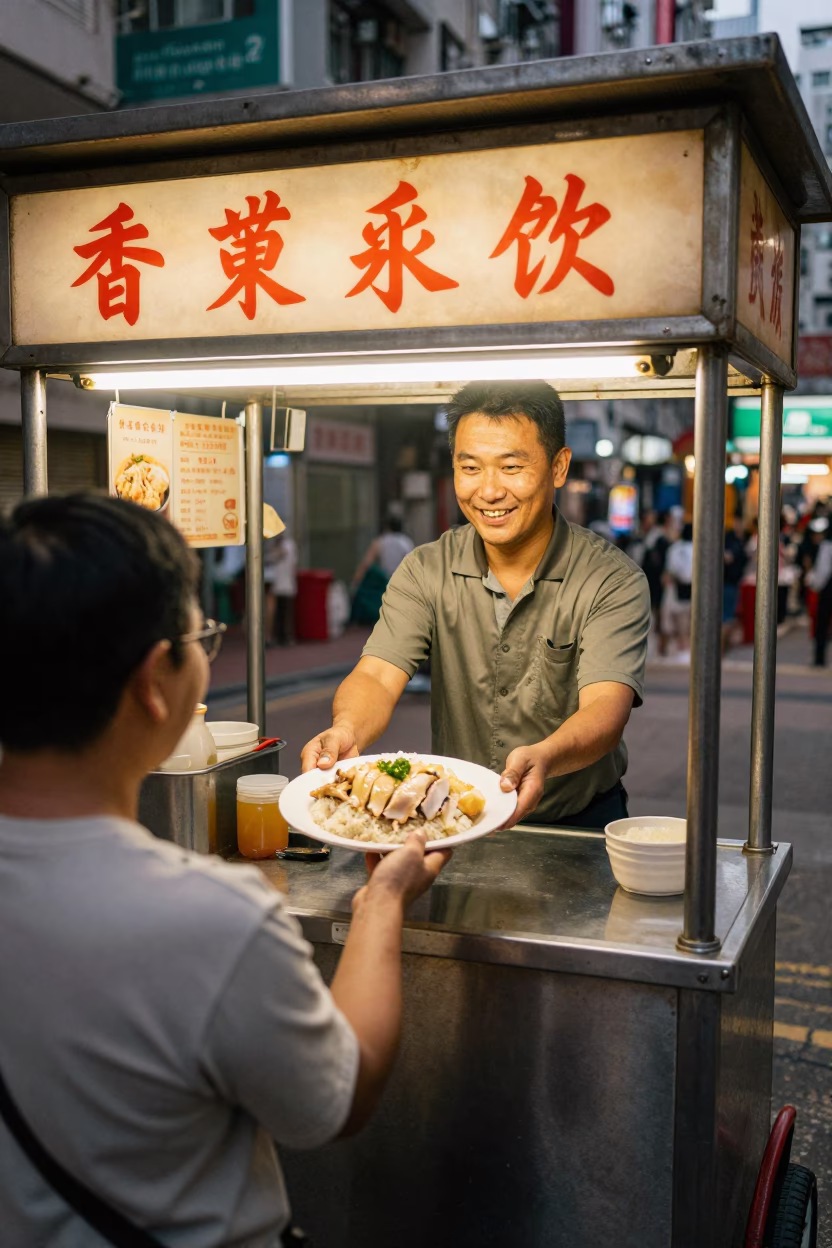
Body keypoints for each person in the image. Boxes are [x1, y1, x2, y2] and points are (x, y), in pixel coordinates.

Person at [0, 494, 449, 1246]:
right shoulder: (212, 920)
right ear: (154, 678)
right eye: (200, 636)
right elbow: (344, 1097)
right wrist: (382, 898)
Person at [303, 381, 651, 831]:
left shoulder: (610, 579)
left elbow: (606, 707)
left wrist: (546, 756)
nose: (488, 491)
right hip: (455, 820)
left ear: (559, 466)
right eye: (470, 467)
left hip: (577, 823)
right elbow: (376, 674)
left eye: (511, 467)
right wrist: (346, 730)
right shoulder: (425, 569)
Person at [350, 517, 414, 627]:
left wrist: (356, 581)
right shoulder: (407, 542)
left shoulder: (381, 541)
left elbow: (366, 563)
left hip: (385, 580)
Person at [641, 511, 677, 656]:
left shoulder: (652, 537)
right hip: (657, 581)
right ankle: (661, 648)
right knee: (660, 614)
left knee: (658, 614)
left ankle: (660, 648)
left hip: (652, 580)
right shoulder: (660, 538)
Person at [662, 522, 694, 656]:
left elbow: (668, 573)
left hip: (677, 588)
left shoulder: (674, 548)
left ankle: (682, 647)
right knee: (689, 622)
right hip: (692, 588)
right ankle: (686, 648)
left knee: (678, 622)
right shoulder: (697, 548)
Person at [265, 530, 298, 646]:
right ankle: (281, 637)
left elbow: (277, 556)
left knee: (285, 612)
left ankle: (285, 637)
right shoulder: (279, 545)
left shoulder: (286, 546)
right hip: (280, 583)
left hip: (284, 583)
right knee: (281, 612)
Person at [807, 521, 832, 666]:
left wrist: (815, 585)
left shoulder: (826, 546)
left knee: (822, 625)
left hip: (827, 591)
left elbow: (823, 570)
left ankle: (819, 658)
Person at [722, 515, 748, 652]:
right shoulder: (733, 541)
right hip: (728, 583)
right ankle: (722, 647)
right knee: (727, 616)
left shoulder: (738, 541)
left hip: (730, 583)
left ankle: (723, 646)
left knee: (728, 615)